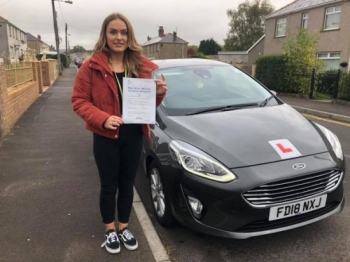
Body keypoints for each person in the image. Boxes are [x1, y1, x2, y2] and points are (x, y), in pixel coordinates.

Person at [71, 13, 167, 254]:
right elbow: (79, 101)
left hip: (133, 136)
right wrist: (103, 119)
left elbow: (148, 106)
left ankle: (123, 227)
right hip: (106, 138)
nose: (119, 37)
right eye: (113, 32)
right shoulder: (91, 67)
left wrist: (159, 94)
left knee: (127, 185)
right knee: (108, 186)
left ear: (129, 36)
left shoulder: (140, 66)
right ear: (105, 34)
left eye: (123, 32)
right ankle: (110, 230)